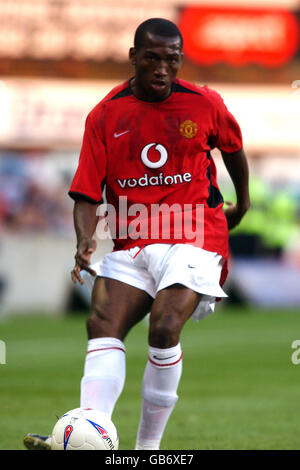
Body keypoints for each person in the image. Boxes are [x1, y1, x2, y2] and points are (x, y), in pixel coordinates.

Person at [23, 17, 250, 451]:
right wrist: (84, 240)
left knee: (164, 328)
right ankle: (88, 436)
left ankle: (148, 451)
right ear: (133, 58)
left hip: (195, 234)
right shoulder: (105, 115)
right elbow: (87, 191)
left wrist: (245, 202)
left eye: (172, 60)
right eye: (152, 59)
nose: (163, 69)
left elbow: (234, 151)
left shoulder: (205, 104)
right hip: (134, 239)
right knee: (101, 323)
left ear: (180, 60)